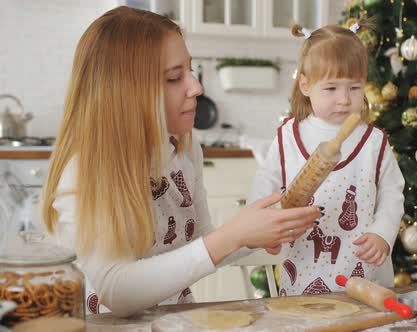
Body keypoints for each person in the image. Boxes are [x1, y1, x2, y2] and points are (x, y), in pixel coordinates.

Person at [40, 6, 321, 317]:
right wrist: (234, 235)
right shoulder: (84, 170)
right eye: (175, 77)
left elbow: (202, 244)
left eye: (190, 70)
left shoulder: (183, 149)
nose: (195, 87)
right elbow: (116, 290)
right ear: (125, 92)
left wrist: (260, 230)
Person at [247, 20, 405, 296]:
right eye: (331, 89)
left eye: (354, 88)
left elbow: (392, 195)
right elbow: (263, 191)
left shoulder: (374, 142)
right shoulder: (287, 138)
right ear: (305, 85)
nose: (344, 99)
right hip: (301, 277)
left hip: (363, 278)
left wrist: (382, 233)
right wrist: (266, 231)